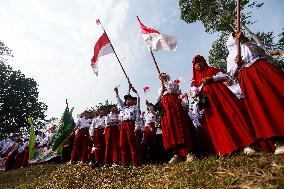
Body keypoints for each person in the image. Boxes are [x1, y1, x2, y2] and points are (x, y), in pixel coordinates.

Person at [227, 32, 284, 155]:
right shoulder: (230, 55)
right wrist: (237, 63)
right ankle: (279, 140)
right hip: (248, 78)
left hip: (262, 70)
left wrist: (245, 40)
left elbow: (259, 52)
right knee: (262, 106)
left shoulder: (248, 44)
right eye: (233, 36)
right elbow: (231, 72)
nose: (235, 37)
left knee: (277, 96)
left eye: (236, 35)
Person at [190, 55, 256, 156]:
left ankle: (246, 144)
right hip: (209, 102)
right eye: (195, 63)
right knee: (218, 122)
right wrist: (196, 93)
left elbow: (224, 76)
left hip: (221, 96)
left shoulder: (212, 69)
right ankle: (228, 148)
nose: (198, 64)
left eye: (200, 62)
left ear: (204, 62)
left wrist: (211, 79)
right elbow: (193, 91)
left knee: (231, 116)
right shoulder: (194, 79)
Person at [157, 73, 194, 163]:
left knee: (180, 127)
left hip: (174, 106)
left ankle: (189, 152)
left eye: (165, 76)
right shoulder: (160, 89)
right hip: (165, 110)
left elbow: (171, 90)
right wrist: (162, 87)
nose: (163, 78)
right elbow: (158, 98)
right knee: (170, 130)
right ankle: (176, 154)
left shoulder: (173, 84)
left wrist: (165, 81)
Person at [115, 85, 139, 166]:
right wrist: (117, 93)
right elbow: (119, 101)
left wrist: (136, 128)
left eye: (129, 99)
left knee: (131, 143)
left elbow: (138, 118)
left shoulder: (135, 108)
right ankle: (124, 163)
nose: (127, 101)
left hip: (130, 124)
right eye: (126, 99)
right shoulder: (123, 108)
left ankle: (135, 163)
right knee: (122, 144)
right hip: (123, 125)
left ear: (132, 101)